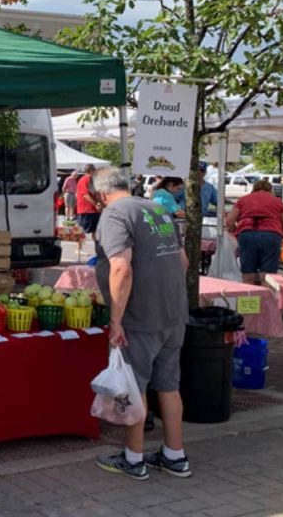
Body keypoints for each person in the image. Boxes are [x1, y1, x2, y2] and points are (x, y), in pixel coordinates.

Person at [91, 167, 191, 481]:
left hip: (142, 316)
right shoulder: (158, 209)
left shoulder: (114, 215)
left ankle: (134, 459)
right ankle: (175, 456)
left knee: (135, 386)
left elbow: (121, 269)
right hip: (174, 312)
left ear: (101, 194)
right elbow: (183, 261)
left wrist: (116, 320)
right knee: (170, 385)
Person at [225, 179, 283, 285]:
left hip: (247, 234)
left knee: (248, 275)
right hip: (271, 235)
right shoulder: (278, 202)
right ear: (270, 190)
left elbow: (229, 221)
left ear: (254, 189)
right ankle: (265, 299)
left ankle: (248, 298)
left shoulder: (243, 200)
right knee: (267, 276)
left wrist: (234, 230)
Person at [76, 164, 103, 235]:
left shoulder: (91, 180)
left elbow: (95, 193)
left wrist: (101, 203)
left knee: (96, 230)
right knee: (82, 232)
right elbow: (85, 195)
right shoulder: (84, 180)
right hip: (86, 210)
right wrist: (96, 204)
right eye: (94, 171)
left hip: (93, 210)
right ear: (91, 171)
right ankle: (79, 246)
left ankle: (97, 245)